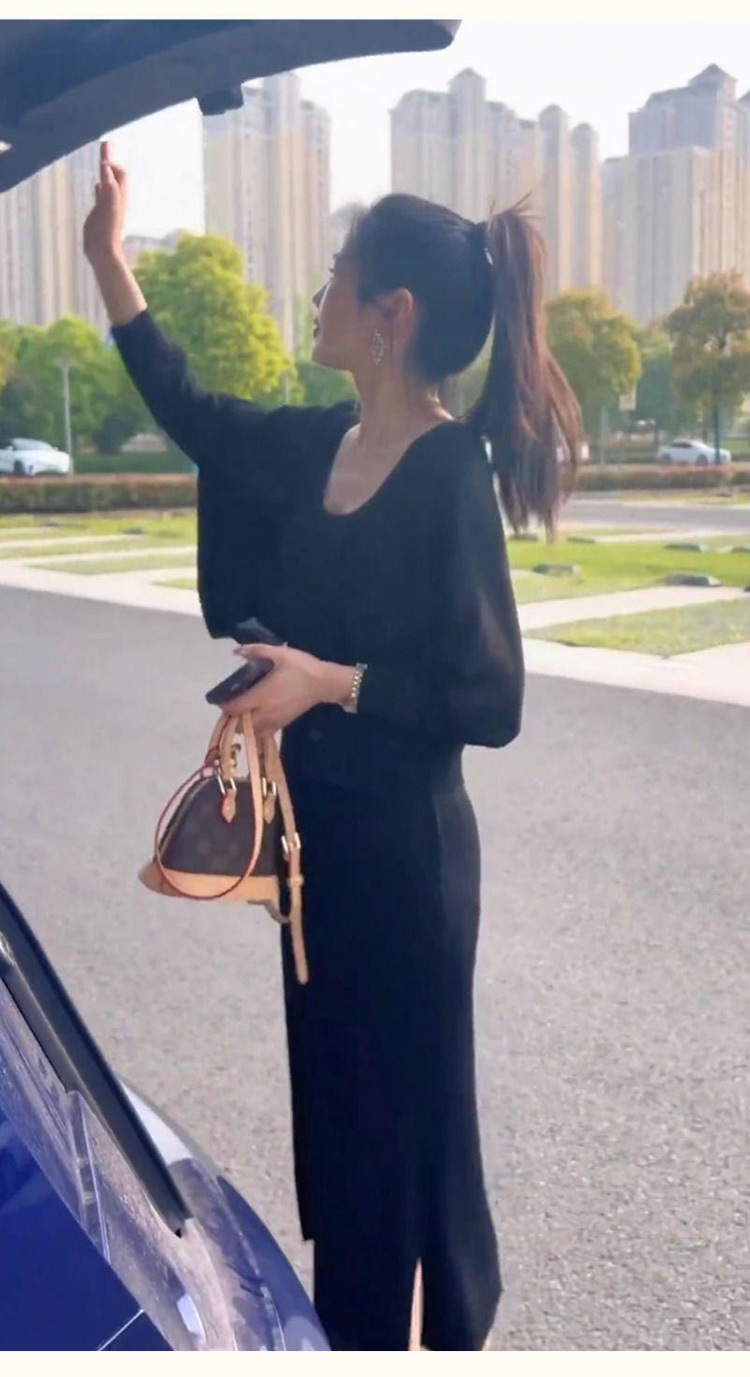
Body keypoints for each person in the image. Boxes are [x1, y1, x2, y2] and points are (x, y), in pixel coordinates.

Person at [84, 140, 581, 1352]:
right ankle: (356, 1334)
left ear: (389, 315)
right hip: (318, 866)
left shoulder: (447, 472)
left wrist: (330, 683)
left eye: (337, 277)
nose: (319, 296)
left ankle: (421, 1337)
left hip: (410, 866)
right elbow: (195, 413)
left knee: (406, 1137)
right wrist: (109, 262)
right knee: (342, 1126)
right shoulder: (320, 446)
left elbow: (489, 697)